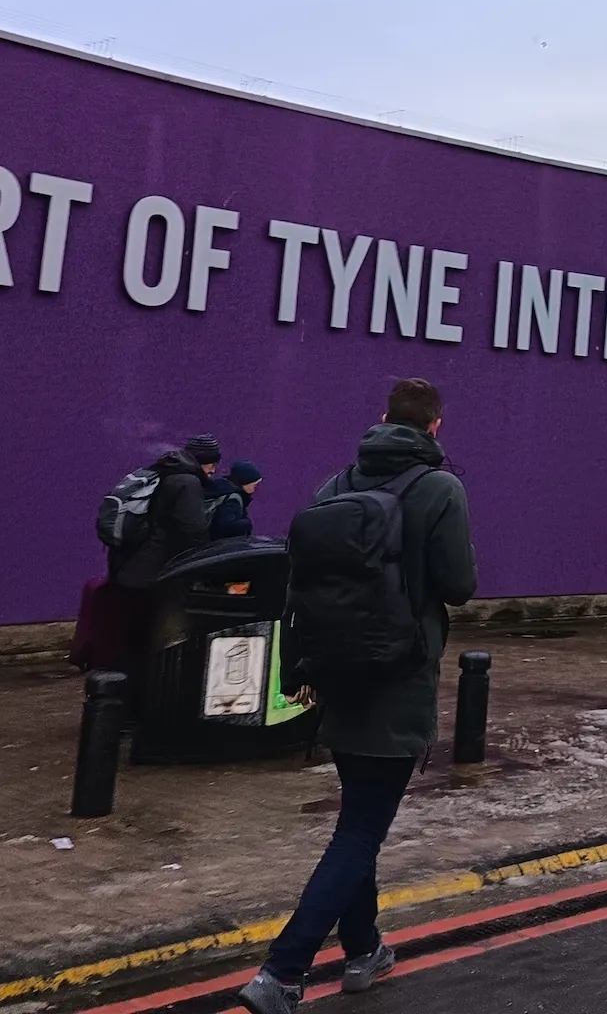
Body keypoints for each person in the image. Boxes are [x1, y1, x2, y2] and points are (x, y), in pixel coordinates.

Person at [239, 378, 478, 1014]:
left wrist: (298, 671)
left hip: (337, 677)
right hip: (399, 678)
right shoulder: (440, 488)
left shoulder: (334, 487)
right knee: (360, 830)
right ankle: (283, 973)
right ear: (434, 429)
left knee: (358, 820)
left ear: (380, 420)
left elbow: (300, 589)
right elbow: (459, 585)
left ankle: (364, 949)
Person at [101, 435, 219, 675]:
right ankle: (141, 693)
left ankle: (120, 689)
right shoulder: (187, 482)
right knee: (154, 639)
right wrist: (206, 566)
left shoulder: (162, 472)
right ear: (208, 462)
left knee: (130, 637)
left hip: (129, 567)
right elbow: (192, 530)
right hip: (154, 573)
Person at [207, 459, 262, 539]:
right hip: (222, 545)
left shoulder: (221, 490)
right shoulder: (233, 499)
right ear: (245, 481)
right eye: (254, 484)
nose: (255, 488)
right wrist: (246, 523)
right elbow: (225, 526)